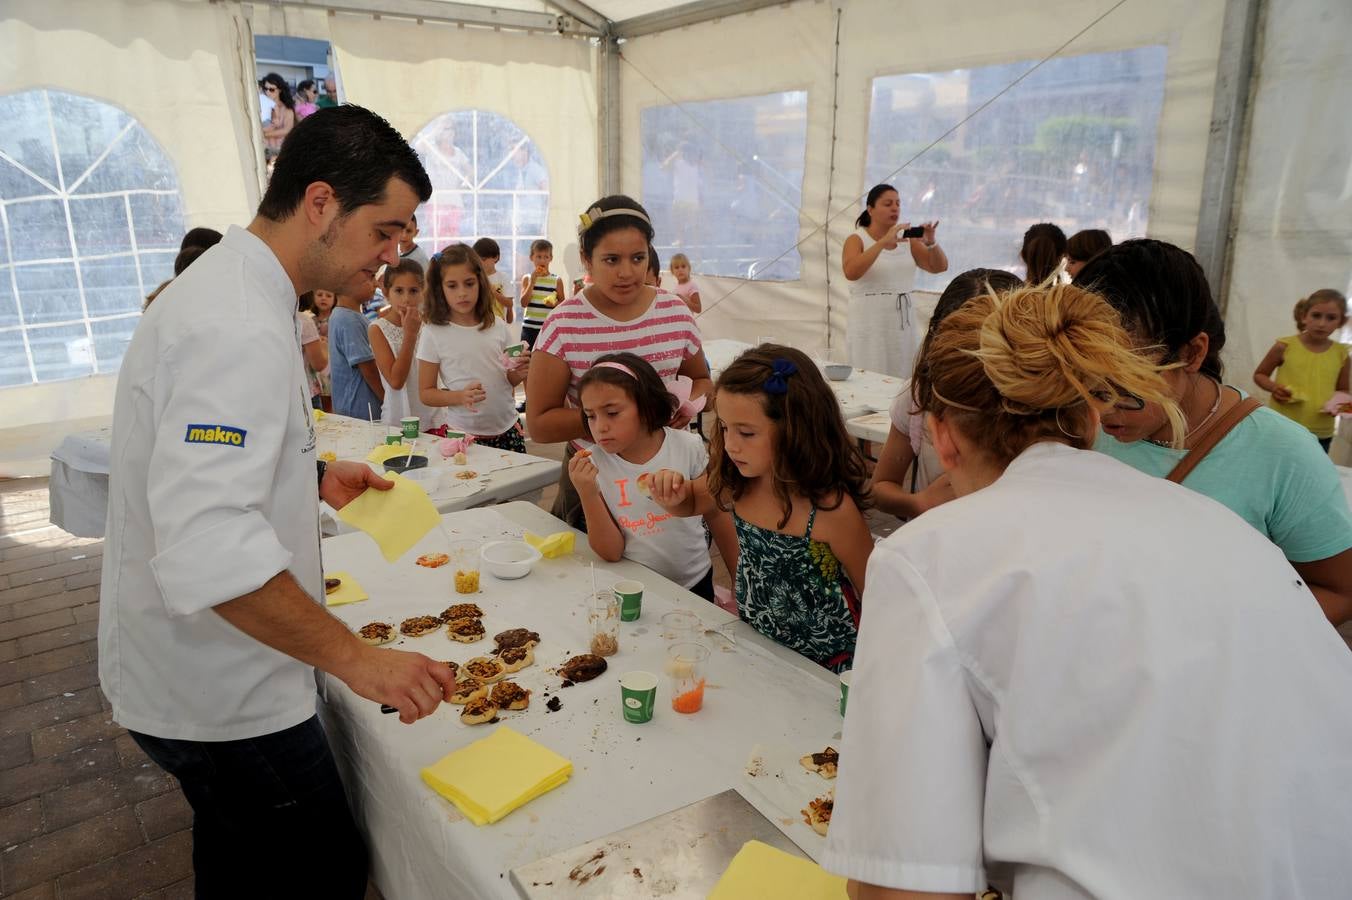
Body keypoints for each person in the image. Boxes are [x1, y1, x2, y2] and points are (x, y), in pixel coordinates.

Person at [822, 283, 1352, 899]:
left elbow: (905, 888)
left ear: (941, 436)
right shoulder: (1222, 529)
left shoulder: (928, 557)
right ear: (1091, 417)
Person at [99, 105, 448, 899]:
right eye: (386, 231)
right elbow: (209, 548)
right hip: (221, 688)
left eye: (405, 238)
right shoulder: (236, 324)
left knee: (238, 853)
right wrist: (363, 662)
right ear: (320, 202)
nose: (395, 256)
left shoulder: (239, 289)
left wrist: (309, 472)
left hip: (197, 671)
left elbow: (190, 462)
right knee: (315, 866)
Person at [1077, 240, 1352, 627]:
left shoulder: (1282, 453)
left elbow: (1340, 590)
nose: (1102, 409)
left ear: (1191, 354)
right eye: (1085, 382)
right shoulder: (1075, 425)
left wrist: (1223, 634)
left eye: (1124, 386)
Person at [649, 345, 872, 671]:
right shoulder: (735, 483)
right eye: (724, 428)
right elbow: (692, 501)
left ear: (796, 429)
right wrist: (672, 493)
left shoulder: (831, 510)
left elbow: (877, 594)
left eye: (747, 432)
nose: (730, 444)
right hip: (760, 643)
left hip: (830, 662)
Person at [525, 195, 710, 531]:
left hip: (667, 475)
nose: (626, 272)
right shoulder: (564, 324)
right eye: (611, 259)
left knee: (673, 568)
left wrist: (689, 404)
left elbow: (701, 380)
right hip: (593, 481)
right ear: (587, 259)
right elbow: (538, 423)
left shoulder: (675, 312)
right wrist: (623, 422)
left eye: (637, 258)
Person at [871, 268, 1021, 520]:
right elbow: (880, 487)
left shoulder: (1039, 414)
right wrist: (918, 503)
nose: (978, 364)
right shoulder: (918, 397)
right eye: (966, 348)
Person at [569, 353, 721, 602]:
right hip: (635, 589)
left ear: (647, 405)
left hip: (695, 581)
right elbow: (610, 551)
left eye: (612, 412)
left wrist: (737, 575)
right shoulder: (594, 464)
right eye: (590, 415)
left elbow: (717, 513)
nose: (600, 427)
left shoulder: (687, 446)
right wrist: (587, 493)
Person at [417, 243, 528, 452]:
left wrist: (519, 373)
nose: (462, 293)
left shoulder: (498, 325)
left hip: (508, 429)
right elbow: (426, 393)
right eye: (452, 285)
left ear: (481, 283)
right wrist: (458, 397)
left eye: (469, 283)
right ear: (439, 289)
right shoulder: (433, 332)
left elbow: (507, 380)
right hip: (463, 434)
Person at [841, 183, 947, 377]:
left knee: (902, 370)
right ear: (870, 209)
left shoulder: (907, 239)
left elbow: (938, 267)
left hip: (902, 320)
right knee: (870, 369)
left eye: (898, 203)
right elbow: (851, 271)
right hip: (869, 319)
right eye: (888, 204)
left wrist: (931, 243)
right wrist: (882, 243)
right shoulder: (857, 239)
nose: (895, 208)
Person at [1253, 289, 1350, 451]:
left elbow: (1344, 390)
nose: (1322, 323)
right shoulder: (1284, 346)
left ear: (1341, 322)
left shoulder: (1342, 354)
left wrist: (1339, 406)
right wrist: (1274, 387)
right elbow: (1260, 375)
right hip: (1282, 426)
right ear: (1304, 316)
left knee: (1311, 474)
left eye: (1331, 318)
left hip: (1321, 432)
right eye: (1316, 315)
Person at [371, 259, 439, 430]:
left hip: (434, 416)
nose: (406, 299)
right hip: (399, 419)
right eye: (399, 291)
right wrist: (410, 335)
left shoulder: (431, 325)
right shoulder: (378, 329)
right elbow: (396, 381)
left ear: (423, 292)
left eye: (413, 291)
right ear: (386, 292)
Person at [329, 274, 385, 419]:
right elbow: (368, 368)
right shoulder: (348, 319)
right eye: (371, 277)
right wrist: (388, 401)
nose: (376, 284)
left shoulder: (348, 316)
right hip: (360, 411)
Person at [519, 238, 564, 349]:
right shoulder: (527, 278)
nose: (542, 261)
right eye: (538, 257)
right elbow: (523, 303)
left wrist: (554, 304)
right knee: (526, 360)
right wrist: (532, 282)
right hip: (528, 328)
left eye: (546, 257)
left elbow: (563, 305)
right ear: (531, 258)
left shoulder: (556, 280)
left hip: (548, 328)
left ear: (551, 259)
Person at [299, 292, 332, 410]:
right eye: (319, 295)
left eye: (328, 296)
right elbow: (319, 364)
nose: (323, 298)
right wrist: (322, 345)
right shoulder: (305, 321)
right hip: (306, 388)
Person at [472, 237, 513, 325]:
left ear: (495, 257)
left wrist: (493, 292)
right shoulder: (474, 278)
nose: (480, 263)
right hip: (478, 323)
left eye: (483, 259)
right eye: (477, 260)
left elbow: (509, 304)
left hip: (498, 324)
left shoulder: (503, 278)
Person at [259, 73, 297, 158]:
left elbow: (287, 130)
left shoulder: (287, 109)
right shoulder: (260, 105)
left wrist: (264, 134)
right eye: (265, 89)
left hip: (280, 151)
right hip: (262, 149)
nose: (267, 92)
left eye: (271, 89)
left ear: (280, 90)